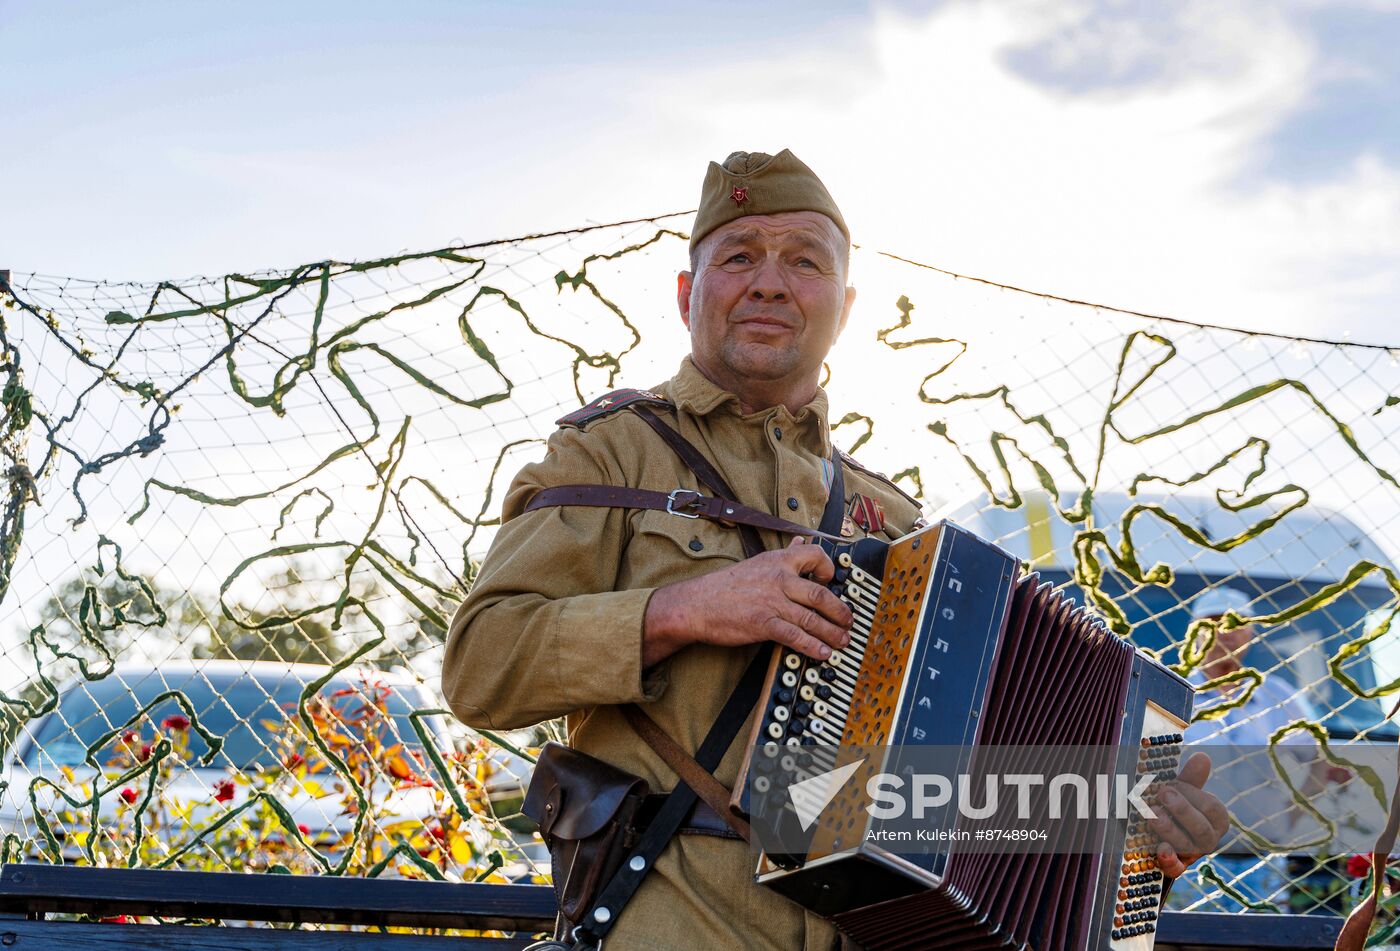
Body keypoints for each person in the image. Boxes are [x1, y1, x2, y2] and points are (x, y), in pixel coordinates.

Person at [440, 149, 1227, 950]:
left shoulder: (895, 521)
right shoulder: (608, 454)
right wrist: (681, 610)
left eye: (805, 261)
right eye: (739, 255)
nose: (771, 281)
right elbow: (479, 665)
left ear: (844, 307)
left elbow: (941, 802)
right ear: (687, 295)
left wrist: (1116, 830)